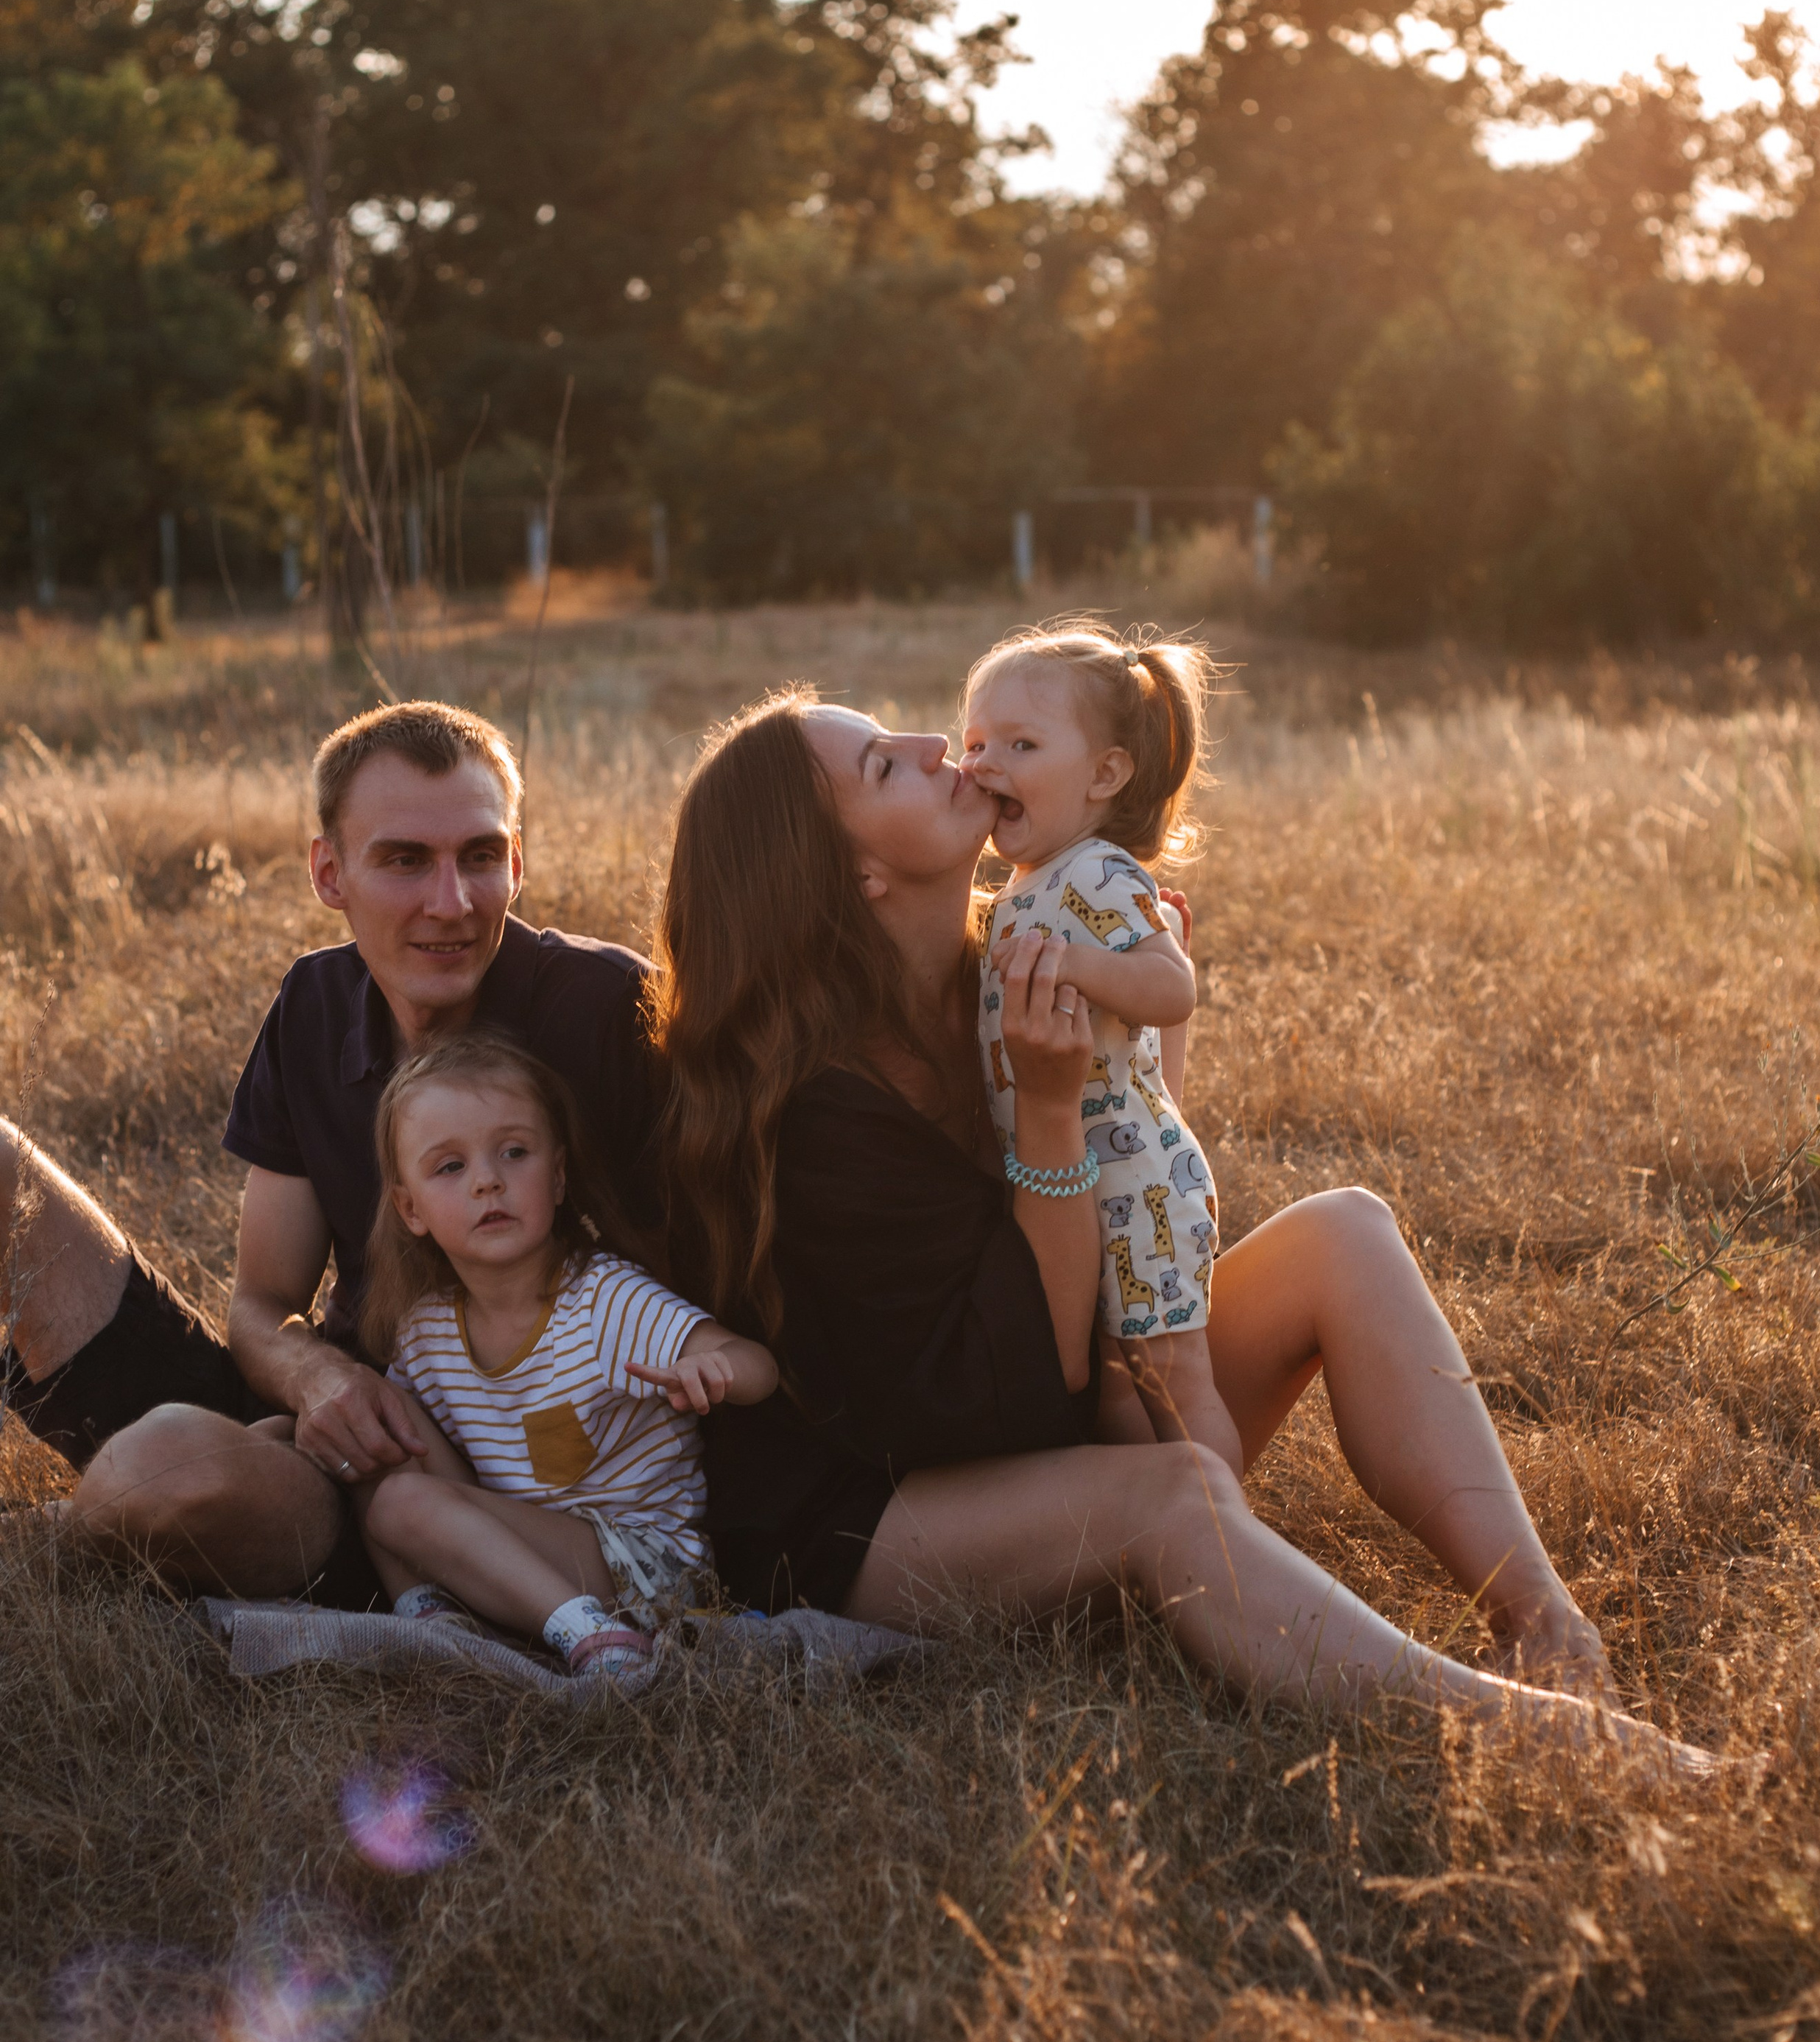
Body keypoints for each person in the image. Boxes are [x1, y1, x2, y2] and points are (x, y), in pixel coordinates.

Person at [653, 687, 1713, 1768]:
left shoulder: (1003, 967)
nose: (933, 745)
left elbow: (1122, 1213)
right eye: (883, 764)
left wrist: (1133, 1059)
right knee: (1177, 1496)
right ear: (853, 876)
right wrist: (1051, 1109)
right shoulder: (820, 1112)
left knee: (1344, 1232)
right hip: (873, 1519)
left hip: (1046, 1426)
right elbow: (1025, 1380)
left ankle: (1549, 1630)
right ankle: (1556, 1744)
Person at [1, 700, 661, 1605]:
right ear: (329, 873)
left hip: (479, 1506)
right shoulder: (313, 1005)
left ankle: (70, 1528)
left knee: (158, 1472)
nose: (451, 903)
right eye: (404, 860)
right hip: (332, 1431)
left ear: (516, 862)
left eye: (478, 856)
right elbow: (262, 1305)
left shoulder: (610, 1011)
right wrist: (320, 1380)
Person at [352, 1027, 775, 1675]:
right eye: (451, 1167)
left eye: (514, 1153)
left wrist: (714, 1368)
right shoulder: (425, 1331)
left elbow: (757, 1366)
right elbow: (409, 1459)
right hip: (527, 1552)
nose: (487, 1182)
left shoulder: (603, 1301)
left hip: (650, 1571)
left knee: (402, 1504)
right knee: (368, 1432)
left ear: (557, 1177)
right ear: (410, 1209)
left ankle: (601, 1642)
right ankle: (440, 1624)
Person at [961, 621, 1240, 1468]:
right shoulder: (1017, 890)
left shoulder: (1097, 871)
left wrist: (1079, 963)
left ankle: (1224, 1528)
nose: (985, 764)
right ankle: (1161, 1520)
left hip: (1139, 1183)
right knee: (1118, 1388)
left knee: (1173, 1380)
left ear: (1104, 775)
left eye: (1021, 744)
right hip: (1078, 1188)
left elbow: (1171, 987)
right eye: (974, 743)